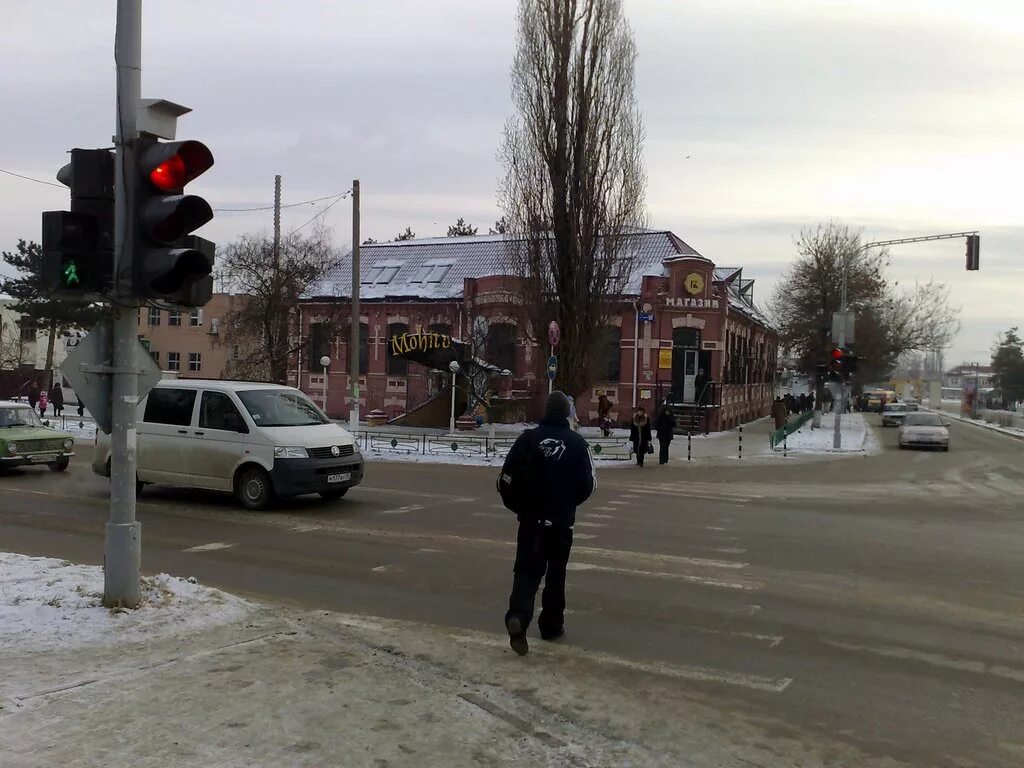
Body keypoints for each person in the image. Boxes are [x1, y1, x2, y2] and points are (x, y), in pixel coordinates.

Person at [501, 391, 596, 656]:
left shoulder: (527, 439)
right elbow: (588, 485)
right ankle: (551, 625)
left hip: (531, 520)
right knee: (556, 574)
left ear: (545, 411)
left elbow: (505, 478)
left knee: (526, 572)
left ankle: (518, 615)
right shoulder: (578, 444)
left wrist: (520, 507)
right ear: (567, 413)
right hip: (561, 523)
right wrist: (567, 505)